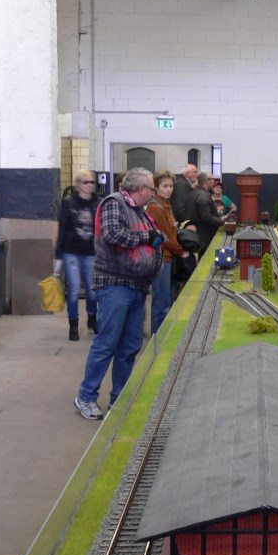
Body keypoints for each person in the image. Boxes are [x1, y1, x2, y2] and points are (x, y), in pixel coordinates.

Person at [74, 168, 164, 420]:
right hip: (115, 284)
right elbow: (113, 234)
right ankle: (86, 396)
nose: (154, 194)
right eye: (152, 189)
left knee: (130, 346)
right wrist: (147, 237)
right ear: (141, 189)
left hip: (136, 285)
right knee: (107, 343)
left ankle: (119, 399)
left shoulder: (140, 211)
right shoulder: (114, 203)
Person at [54, 169, 101, 341]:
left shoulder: (98, 203)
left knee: (92, 290)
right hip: (71, 251)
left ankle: (92, 317)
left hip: (90, 252)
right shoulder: (68, 203)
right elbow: (63, 227)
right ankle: (73, 324)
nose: (89, 185)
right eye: (85, 182)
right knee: (74, 290)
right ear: (78, 184)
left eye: (92, 182)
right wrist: (58, 252)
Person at [146, 170, 189, 334]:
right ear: (156, 187)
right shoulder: (156, 207)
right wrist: (181, 250)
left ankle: (163, 335)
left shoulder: (166, 205)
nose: (169, 189)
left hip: (169, 257)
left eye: (171, 186)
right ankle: (157, 339)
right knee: (161, 302)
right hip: (162, 258)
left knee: (168, 300)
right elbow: (165, 236)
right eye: (165, 186)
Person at [184, 170, 224, 255]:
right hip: (204, 236)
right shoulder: (203, 196)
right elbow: (206, 217)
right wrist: (222, 221)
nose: (213, 181)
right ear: (206, 180)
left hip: (194, 234)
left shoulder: (193, 193)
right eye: (212, 179)